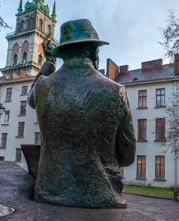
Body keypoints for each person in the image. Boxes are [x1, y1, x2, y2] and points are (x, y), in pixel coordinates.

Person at [28, 19, 136, 208]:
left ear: (63, 53)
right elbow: (127, 156)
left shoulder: (43, 86)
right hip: (102, 195)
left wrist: (48, 63)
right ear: (93, 51)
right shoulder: (115, 90)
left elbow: (31, 98)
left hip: (49, 192)